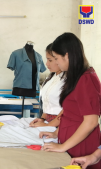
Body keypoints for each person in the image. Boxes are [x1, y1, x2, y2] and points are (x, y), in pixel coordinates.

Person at [39, 33, 101, 169]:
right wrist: (56, 133)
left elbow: (91, 122)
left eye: (56, 58)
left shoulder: (86, 79)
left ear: (66, 55)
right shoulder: (74, 77)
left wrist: (62, 147)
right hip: (71, 141)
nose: (56, 63)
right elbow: (71, 113)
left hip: (81, 145)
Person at [29, 43, 65, 127]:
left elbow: (66, 110)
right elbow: (48, 103)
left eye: (50, 60)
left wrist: (48, 126)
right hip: (48, 122)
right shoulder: (51, 77)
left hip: (59, 124)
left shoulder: (68, 80)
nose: (47, 64)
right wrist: (42, 119)